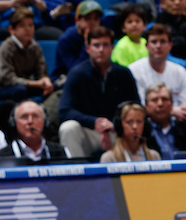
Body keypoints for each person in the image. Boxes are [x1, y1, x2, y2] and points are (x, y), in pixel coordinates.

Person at [58, 25, 140, 158]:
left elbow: (135, 107)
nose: (101, 50)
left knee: (134, 127)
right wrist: (95, 122)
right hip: (88, 132)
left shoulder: (123, 73)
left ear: (113, 47)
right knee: (68, 128)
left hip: (117, 132)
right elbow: (64, 111)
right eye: (96, 45)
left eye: (105, 45)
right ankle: (77, 174)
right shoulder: (77, 74)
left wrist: (114, 126)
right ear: (88, 48)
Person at [128, 23, 186, 117]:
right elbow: (139, 108)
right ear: (146, 45)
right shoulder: (133, 71)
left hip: (178, 124)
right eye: (154, 42)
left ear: (170, 45)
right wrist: (172, 111)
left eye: (163, 41)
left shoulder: (180, 72)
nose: (158, 46)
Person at [0, 7, 53, 101]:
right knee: (20, 90)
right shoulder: (6, 48)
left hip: (27, 85)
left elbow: (41, 72)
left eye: (30, 25)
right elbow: (7, 79)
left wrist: (46, 81)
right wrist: (34, 83)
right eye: (22, 26)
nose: (28, 29)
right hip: (4, 88)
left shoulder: (35, 47)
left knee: (52, 86)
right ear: (12, 29)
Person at [0, 98, 70, 161]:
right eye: (24, 117)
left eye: (35, 116)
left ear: (45, 121)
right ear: (13, 123)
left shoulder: (61, 152)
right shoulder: (0, 157)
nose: (30, 121)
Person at [143, 82, 186, 159]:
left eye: (164, 99)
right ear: (146, 106)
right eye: (154, 100)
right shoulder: (141, 130)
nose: (160, 104)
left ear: (172, 104)